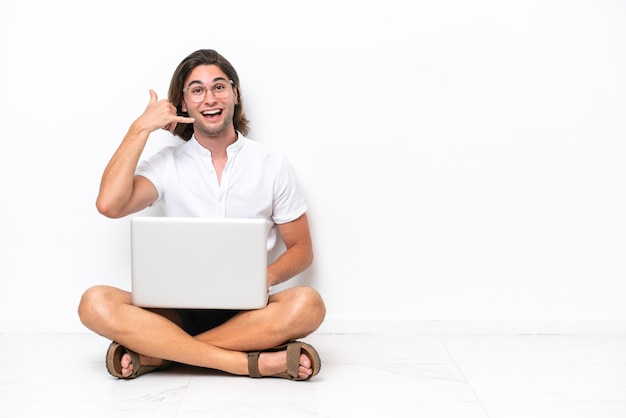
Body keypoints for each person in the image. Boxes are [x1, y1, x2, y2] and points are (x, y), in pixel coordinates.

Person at [78, 49, 326, 381]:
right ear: (182, 103)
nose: (210, 98)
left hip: (250, 312)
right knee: (94, 303)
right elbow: (109, 205)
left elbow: (301, 250)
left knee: (308, 304)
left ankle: (156, 353)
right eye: (196, 90)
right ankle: (246, 362)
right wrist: (141, 128)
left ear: (235, 94)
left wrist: (262, 279)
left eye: (219, 87)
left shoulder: (272, 166)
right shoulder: (167, 164)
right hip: (174, 309)